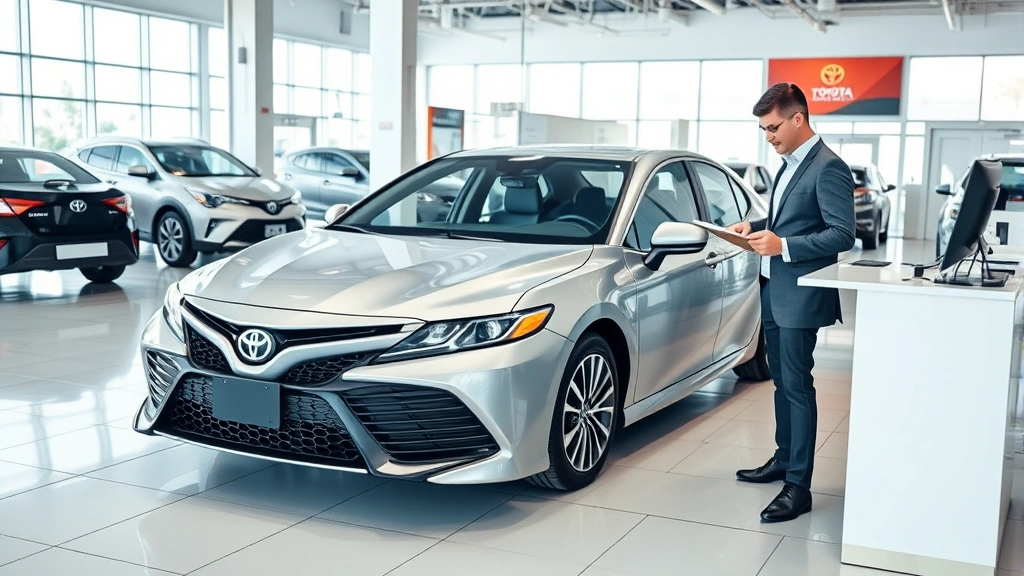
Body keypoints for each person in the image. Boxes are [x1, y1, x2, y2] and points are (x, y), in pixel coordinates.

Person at [728, 82, 856, 523]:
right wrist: (757, 225)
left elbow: (842, 234)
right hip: (774, 291)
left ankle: (798, 486)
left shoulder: (828, 167)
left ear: (798, 118)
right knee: (782, 384)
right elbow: (792, 219)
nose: (769, 137)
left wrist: (782, 245)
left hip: (800, 295)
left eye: (773, 127)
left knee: (798, 388)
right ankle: (784, 459)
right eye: (764, 130)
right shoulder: (788, 163)